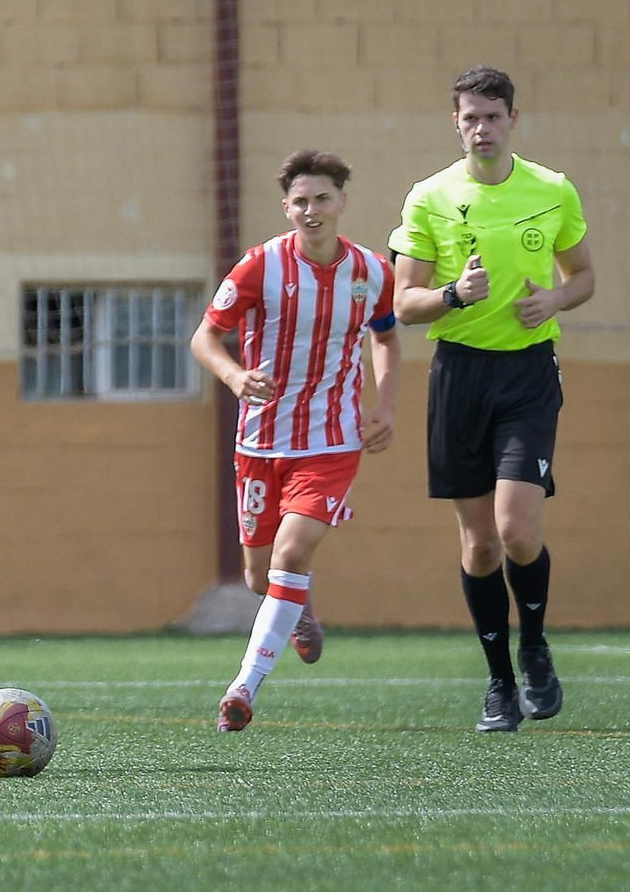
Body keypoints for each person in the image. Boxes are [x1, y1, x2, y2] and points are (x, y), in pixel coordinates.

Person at [388, 66, 595, 733]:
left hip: (528, 375)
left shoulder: (552, 189)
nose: (482, 128)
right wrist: (453, 295)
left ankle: (534, 649)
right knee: (479, 546)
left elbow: (584, 276)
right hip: (460, 377)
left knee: (517, 530)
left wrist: (554, 299)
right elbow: (403, 303)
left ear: (513, 118)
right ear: (456, 123)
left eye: (493, 116)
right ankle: (500, 683)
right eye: (470, 118)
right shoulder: (429, 197)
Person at [190, 149, 400, 732]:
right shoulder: (259, 267)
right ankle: (299, 608)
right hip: (260, 442)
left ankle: (244, 687)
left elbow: (385, 337)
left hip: (332, 442)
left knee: (291, 552)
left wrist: (384, 403)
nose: (312, 210)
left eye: (322, 199)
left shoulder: (371, 272)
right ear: (287, 207)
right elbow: (205, 337)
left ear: (342, 202)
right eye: (301, 201)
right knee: (260, 576)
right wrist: (235, 376)